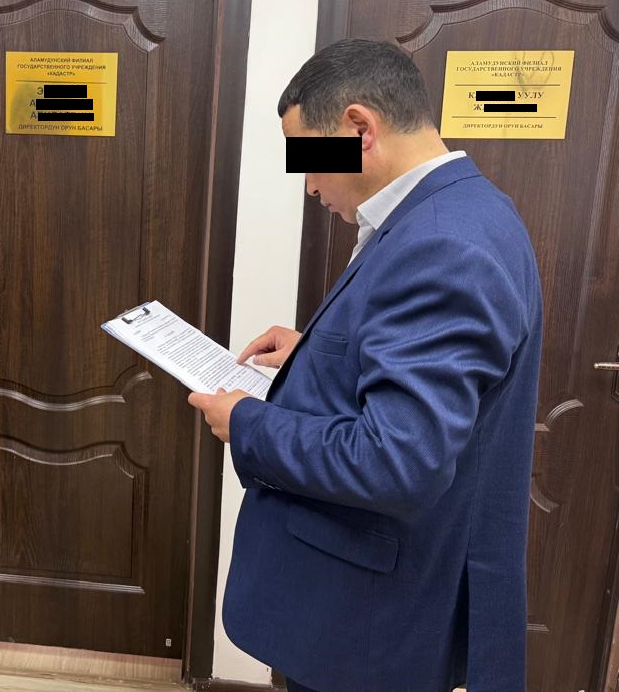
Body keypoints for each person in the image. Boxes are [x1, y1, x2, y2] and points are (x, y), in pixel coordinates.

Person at [189, 39, 543, 692]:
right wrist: (316, 351)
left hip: (367, 623)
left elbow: (396, 461)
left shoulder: (442, 243)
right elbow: (424, 379)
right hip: (374, 604)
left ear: (358, 128)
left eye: (308, 157)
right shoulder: (467, 208)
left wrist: (246, 423)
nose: (309, 183)